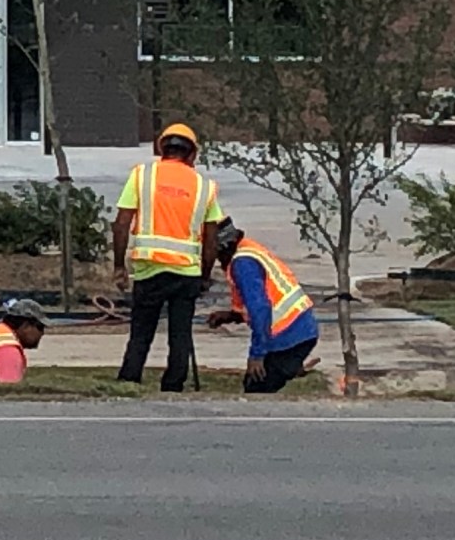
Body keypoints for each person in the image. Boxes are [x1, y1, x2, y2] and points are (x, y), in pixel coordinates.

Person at [113, 122, 223, 391]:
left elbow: (121, 223)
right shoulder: (204, 186)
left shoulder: (142, 175)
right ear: (192, 154)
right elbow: (211, 239)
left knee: (141, 332)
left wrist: (119, 266)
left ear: (162, 148)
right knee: (180, 333)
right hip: (186, 273)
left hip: (149, 269)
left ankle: (129, 380)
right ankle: (173, 385)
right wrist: (206, 276)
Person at [207, 219, 320, 394]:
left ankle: (287, 368)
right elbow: (262, 301)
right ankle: (289, 367)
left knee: (256, 387)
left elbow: (261, 310)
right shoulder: (248, 249)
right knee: (259, 382)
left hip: (289, 335)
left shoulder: (243, 264)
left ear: (221, 248)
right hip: (300, 328)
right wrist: (231, 316)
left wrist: (257, 355)